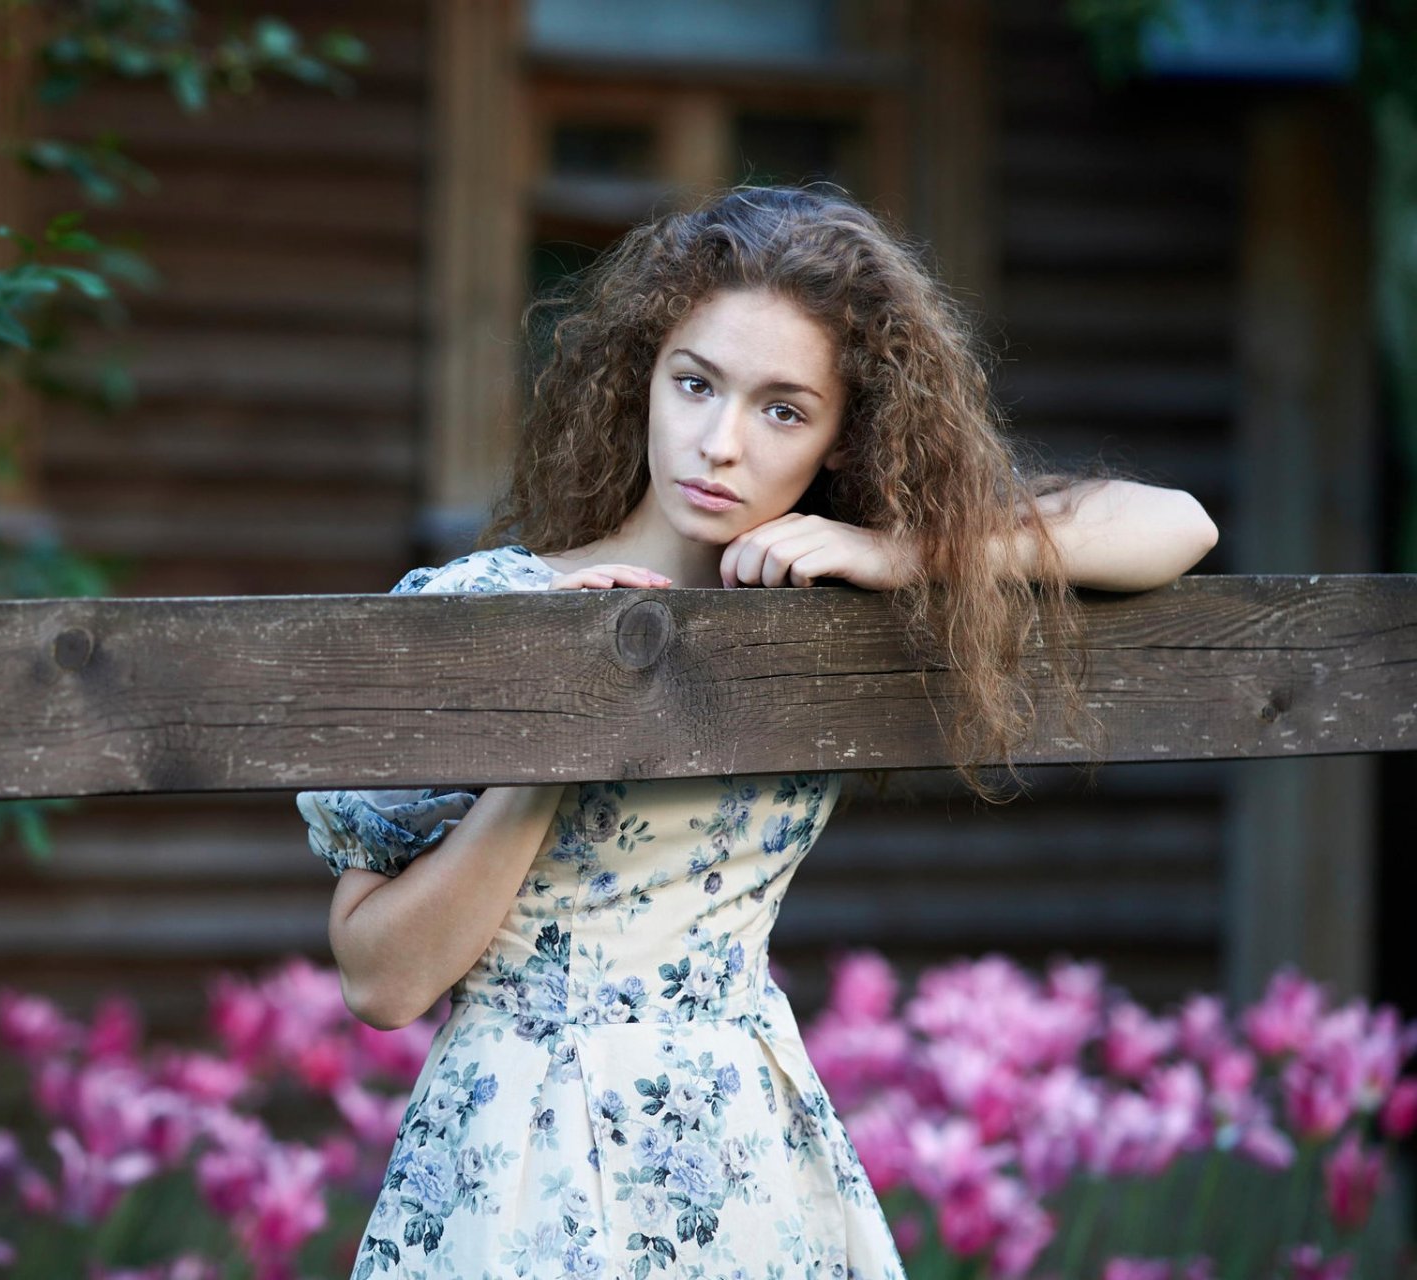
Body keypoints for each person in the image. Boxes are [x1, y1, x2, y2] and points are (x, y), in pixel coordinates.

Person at [294, 184, 1218, 1280]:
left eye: (783, 409)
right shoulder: (483, 608)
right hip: (519, 1145)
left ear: (843, 434)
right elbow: (381, 984)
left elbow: (1178, 523)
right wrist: (563, 743)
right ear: (644, 375)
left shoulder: (824, 602)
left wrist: (910, 553)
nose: (720, 442)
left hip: (740, 1142)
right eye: (695, 384)